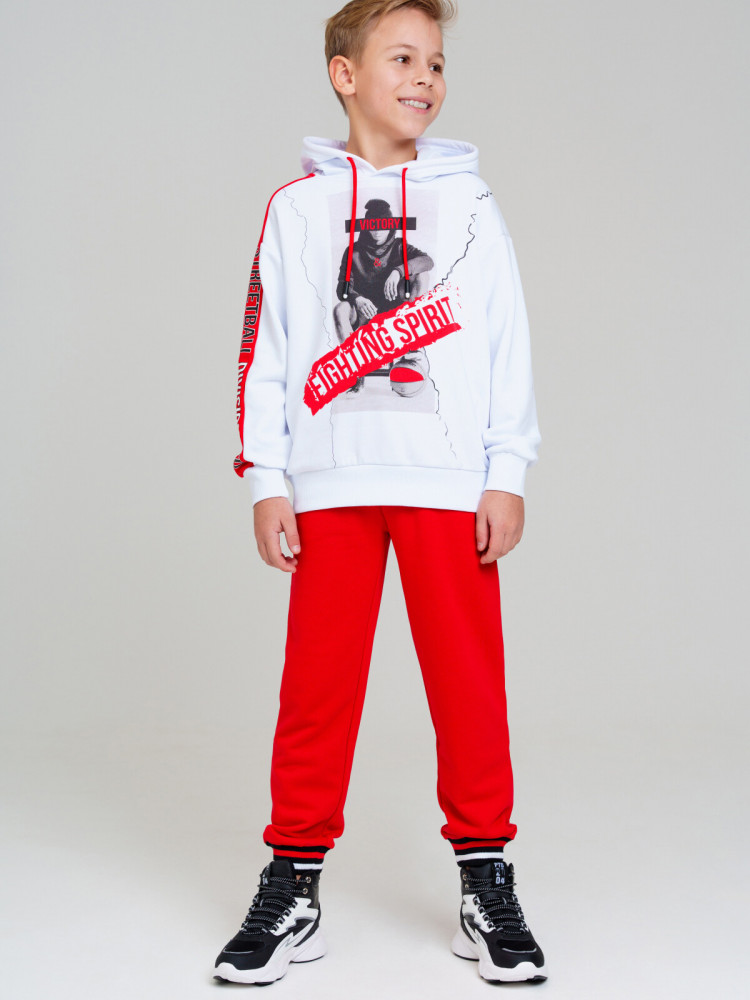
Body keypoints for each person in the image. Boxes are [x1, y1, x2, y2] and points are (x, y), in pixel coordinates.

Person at [213, 0, 547, 986]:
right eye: (402, 58)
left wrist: (507, 470)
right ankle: (293, 882)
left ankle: (486, 879)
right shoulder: (296, 210)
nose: (424, 78)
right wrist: (267, 475)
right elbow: (268, 346)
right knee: (316, 691)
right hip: (330, 484)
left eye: (436, 63)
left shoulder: (472, 205)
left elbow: (506, 341)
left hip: (446, 481)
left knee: (468, 685)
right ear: (345, 74)